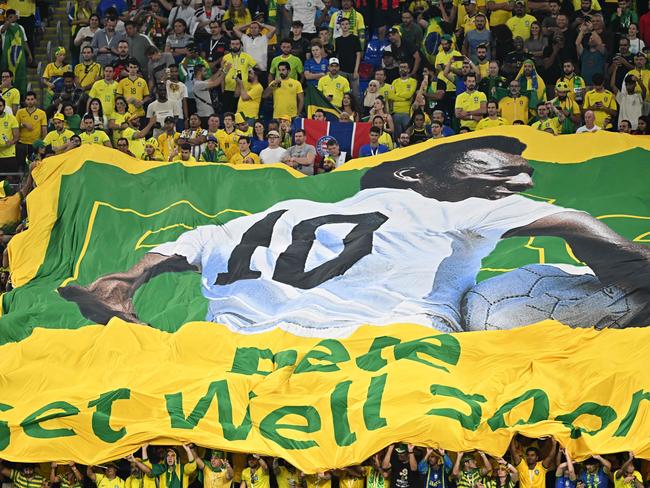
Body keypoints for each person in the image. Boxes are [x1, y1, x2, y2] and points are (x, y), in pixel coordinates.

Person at [58, 136, 650, 333]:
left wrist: (127, 279)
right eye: (496, 177)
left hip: (238, 351)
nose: (510, 189)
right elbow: (577, 226)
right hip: (383, 350)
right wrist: (631, 266)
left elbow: (188, 245)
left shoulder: (271, 215)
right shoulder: (441, 209)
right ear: (416, 175)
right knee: (492, 304)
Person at [221, 38, 257, 113]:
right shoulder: (225, 57)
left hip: (243, 89)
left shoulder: (247, 57)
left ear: (240, 45)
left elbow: (256, 70)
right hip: (228, 90)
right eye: (233, 44)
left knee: (240, 113)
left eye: (237, 44)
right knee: (229, 112)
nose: (235, 46)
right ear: (230, 45)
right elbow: (222, 75)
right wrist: (222, 90)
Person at [16, 91, 47, 166]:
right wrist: (24, 124)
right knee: (21, 165)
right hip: (22, 143)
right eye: (28, 99)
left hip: (35, 144)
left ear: (35, 100)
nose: (30, 101)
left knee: (35, 165)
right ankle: (21, 178)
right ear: (25, 101)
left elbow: (44, 129)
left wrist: (42, 143)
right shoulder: (20, 112)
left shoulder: (41, 113)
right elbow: (15, 126)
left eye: (32, 99)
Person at [390, 61, 417, 137]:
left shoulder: (413, 81)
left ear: (408, 70)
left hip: (406, 113)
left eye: (404, 67)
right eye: (401, 67)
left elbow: (409, 95)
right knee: (396, 136)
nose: (402, 69)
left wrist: (397, 95)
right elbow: (391, 96)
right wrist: (404, 98)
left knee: (407, 135)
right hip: (395, 113)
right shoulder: (394, 82)